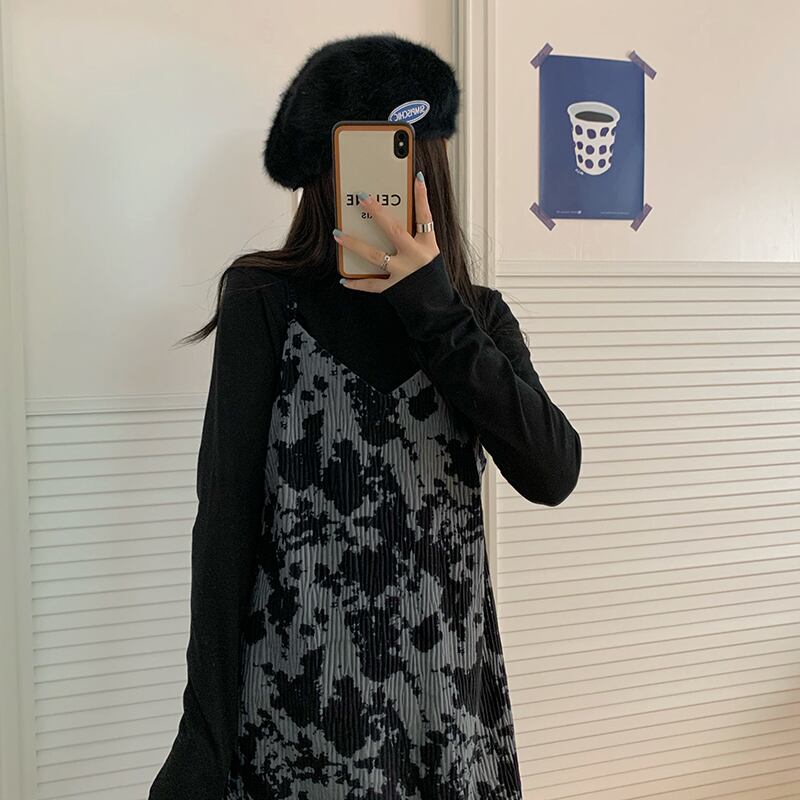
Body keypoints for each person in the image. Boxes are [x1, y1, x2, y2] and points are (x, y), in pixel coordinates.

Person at [149, 33, 581, 800]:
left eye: (400, 148)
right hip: (300, 721)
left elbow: (553, 471)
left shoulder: (473, 319)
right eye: (360, 155)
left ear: (429, 158)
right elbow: (223, 524)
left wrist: (433, 307)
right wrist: (203, 735)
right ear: (326, 170)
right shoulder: (264, 301)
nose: (384, 179)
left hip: (449, 716)